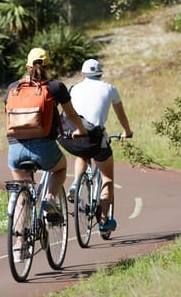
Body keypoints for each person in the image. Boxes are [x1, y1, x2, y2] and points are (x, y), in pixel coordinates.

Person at [4, 47, 88, 216]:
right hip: (44, 148)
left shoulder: (13, 88)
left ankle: (19, 241)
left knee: (23, 195)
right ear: (48, 66)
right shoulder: (55, 87)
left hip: (15, 148)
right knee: (60, 168)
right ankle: (50, 198)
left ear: (27, 67)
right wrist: (81, 129)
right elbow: (70, 114)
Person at [67, 58, 133, 232]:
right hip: (96, 138)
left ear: (82, 75)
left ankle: (75, 183)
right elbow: (121, 115)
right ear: (100, 74)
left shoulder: (73, 88)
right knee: (107, 178)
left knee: (82, 154)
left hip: (76, 135)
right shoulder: (110, 89)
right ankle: (103, 222)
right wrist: (127, 131)